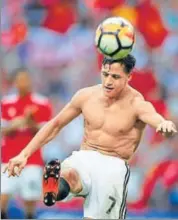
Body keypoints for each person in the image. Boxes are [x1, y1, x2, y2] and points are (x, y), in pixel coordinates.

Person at [3, 55, 177, 219]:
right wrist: (24, 154)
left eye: (115, 77)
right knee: (70, 174)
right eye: (105, 74)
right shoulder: (86, 96)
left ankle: (64, 187)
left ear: (129, 77)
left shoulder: (137, 104)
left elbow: (156, 119)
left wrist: (165, 125)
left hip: (113, 165)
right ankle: (59, 185)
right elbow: (55, 125)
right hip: (85, 156)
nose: (108, 81)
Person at [1, 68, 52, 219]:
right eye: (20, 80)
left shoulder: (42, 103)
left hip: (32, 160)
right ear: (15, 82)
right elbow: (3, 130)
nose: (23, 83)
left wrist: (30, 122)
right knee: (3, 197)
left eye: (26, 79)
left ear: (30, 81)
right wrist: (16, 124)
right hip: (8, 159)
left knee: (30, 201)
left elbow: (47, 131)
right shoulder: (6, 103)